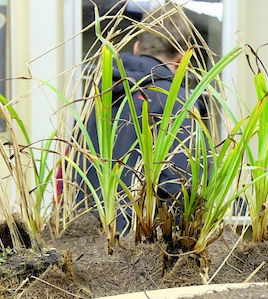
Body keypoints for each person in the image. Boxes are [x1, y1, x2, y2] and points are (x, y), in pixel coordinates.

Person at [73, 5, 203, 234]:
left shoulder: (97, 95)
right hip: (143, 253)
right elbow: (181, 187)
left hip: (85, 246)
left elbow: (72, 170)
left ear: (136, 48)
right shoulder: (178, 103)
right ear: (183, 59)